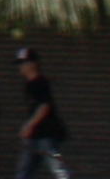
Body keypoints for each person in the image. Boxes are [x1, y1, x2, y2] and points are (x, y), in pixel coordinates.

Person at [11, 50, 67, 179]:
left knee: (58, 169)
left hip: (45, 135)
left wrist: (29, 125)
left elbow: (44, 106)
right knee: (24, 170)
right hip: (33, 136)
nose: (20, 67)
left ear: (33, 64)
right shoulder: (29, 84)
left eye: (23, 63)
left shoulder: (39, 83)